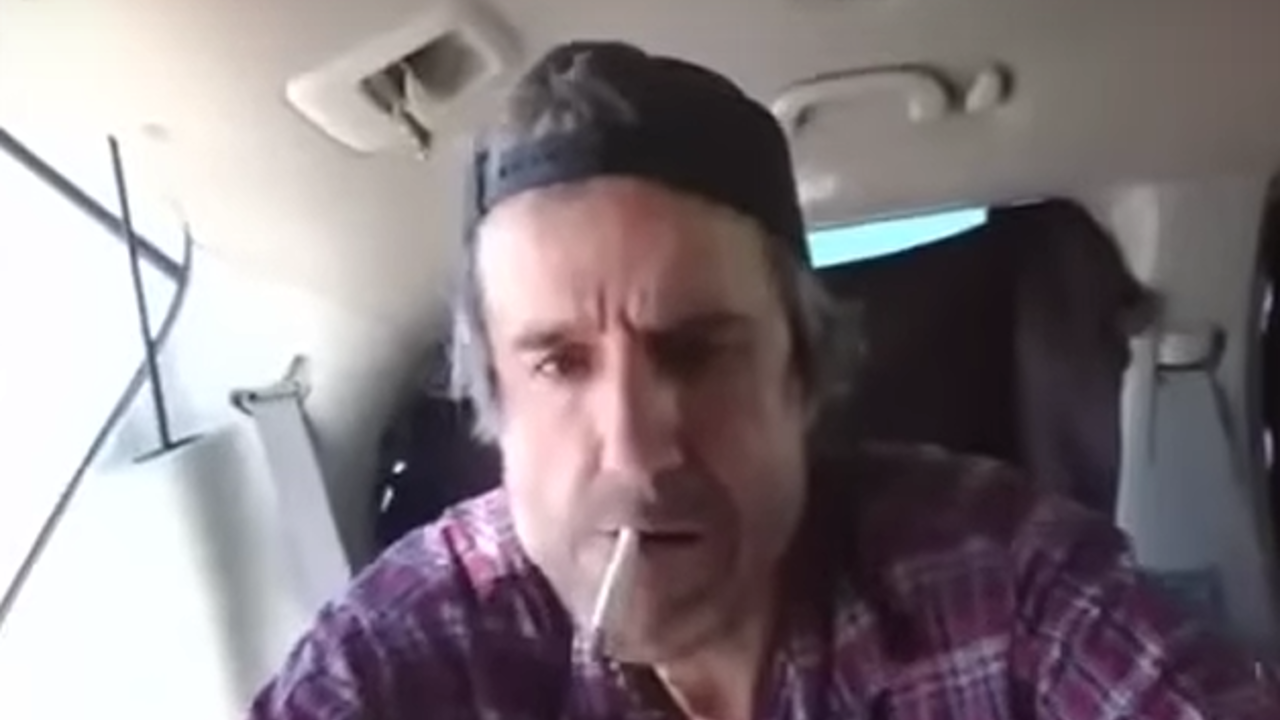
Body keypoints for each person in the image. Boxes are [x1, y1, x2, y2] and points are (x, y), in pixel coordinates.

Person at [248, 41, 1280, 719]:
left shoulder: (997, 578)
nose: (637, 450)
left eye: (697, 350)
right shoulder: (408, 653)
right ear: (497, 409)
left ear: (802, 376)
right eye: (559, 361)